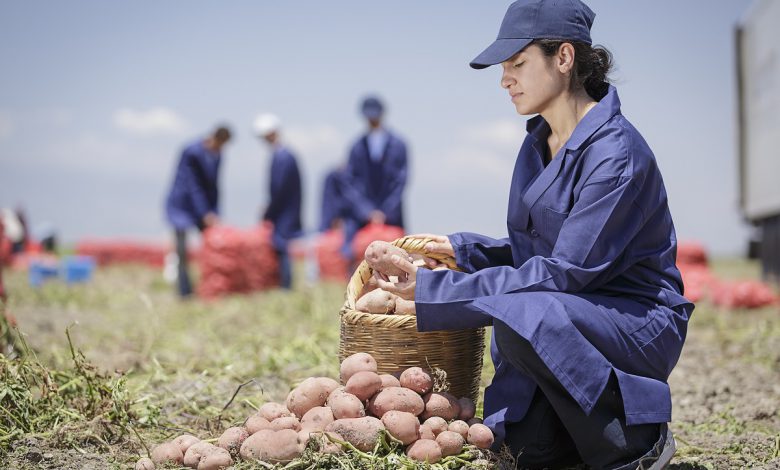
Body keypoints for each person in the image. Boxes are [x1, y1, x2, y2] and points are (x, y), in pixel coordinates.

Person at [376, 1, 692, 469]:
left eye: (518, 63)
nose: (505, 79)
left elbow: (564, 273)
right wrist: (464, 252)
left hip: (634, 321)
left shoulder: (617, 156)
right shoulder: (536, 144)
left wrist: (431, 289)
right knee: (529, 451)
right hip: (566, 315)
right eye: (504, 68)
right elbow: (533, 254)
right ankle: (567, 435)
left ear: (563, 58)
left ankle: (634, 439)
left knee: (522, 308)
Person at [165, 125, 231, 298]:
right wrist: (205, 213)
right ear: (214, 138)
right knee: (181, 251)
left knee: (212, 245)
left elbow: (214, 186)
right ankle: (184, 291)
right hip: (183, 205)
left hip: (204, 207)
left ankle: (210, 286)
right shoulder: (192, 152)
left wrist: (215, 212)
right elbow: (194, 186)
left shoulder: (218, 155)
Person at [340, 95, 409, 260]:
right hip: (362, 216)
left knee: (397, 256)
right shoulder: (356, 147)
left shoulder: (398, 145)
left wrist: (385, 211)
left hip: (392, 214)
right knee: (359, 258)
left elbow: (401, 181)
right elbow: (351, 183)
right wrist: (367, 211)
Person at [254, 113, 303, 290]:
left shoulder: (283, 156)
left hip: (284, 211)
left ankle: (285, 286)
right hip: (286, 210)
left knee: (282, 247)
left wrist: (269, 210)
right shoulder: (285, 154)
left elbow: (278, 188)